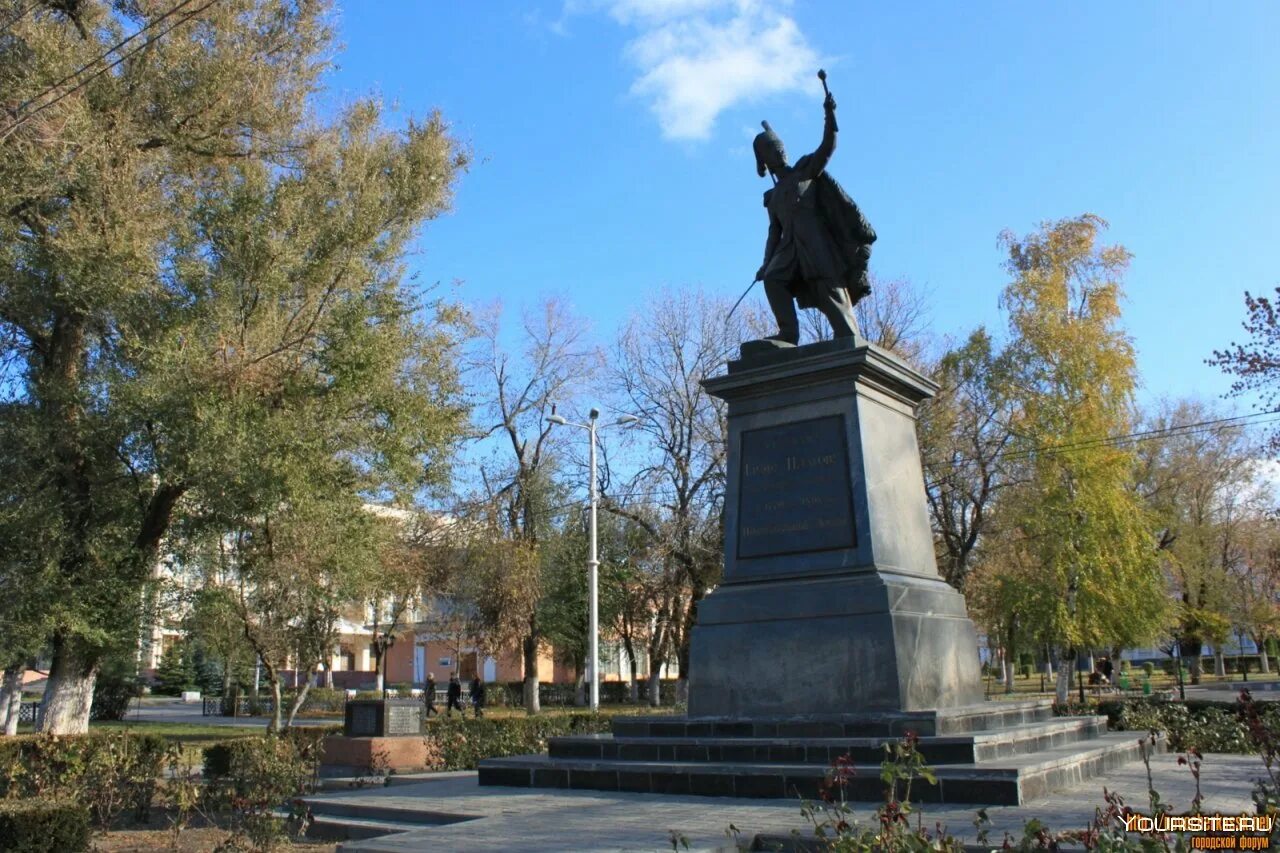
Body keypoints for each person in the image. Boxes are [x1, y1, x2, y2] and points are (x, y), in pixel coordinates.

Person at [751, 78, 876, 346]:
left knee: (830, 291)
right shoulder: (773, 198)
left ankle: (848, 335)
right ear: (765, 160)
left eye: (779, 147)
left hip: (816, 244)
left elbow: (828, 147)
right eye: (772, 150)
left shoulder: (805, 170)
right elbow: (774, 232)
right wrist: (765, 263)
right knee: (773, 279)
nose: (779, 152)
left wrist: (829, 116)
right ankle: (788, 334)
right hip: (789, 249)